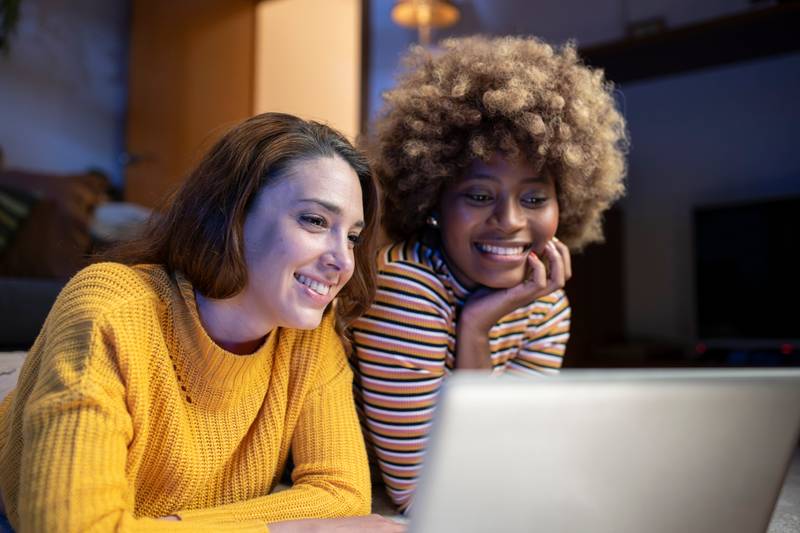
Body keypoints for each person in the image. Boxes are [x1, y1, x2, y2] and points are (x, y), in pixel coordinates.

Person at [0, 113, 403, 532]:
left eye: (352, 236)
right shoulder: (111, 308)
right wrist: (287, 528)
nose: (342, 261)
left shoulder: (308, 335)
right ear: (232, 214)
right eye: (315, 221)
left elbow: (342, 494)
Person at [351, 35, 628, 512]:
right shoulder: (405, 286)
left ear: (568, 202)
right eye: (479, 196)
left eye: (535, 198)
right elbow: (424, 493)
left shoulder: (544, 301)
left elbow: (505, 455)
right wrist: (476, 328)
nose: (512, 221)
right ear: (434, 200)